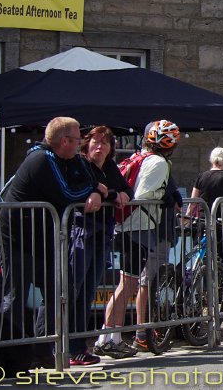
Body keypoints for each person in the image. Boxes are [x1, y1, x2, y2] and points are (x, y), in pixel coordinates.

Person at [0, 117, 103, 371]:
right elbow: (67, 193)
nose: (81, 145)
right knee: (15, 296)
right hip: (20, 237)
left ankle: (41, 351)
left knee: (56, 292)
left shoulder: (69, 159)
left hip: (44, 236)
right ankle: (4, 358)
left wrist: (97, 189)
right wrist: (94, 189)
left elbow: (89, 178)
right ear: (64, 141)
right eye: (78, 140)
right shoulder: (42, 159)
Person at [95, 119, 181, 357]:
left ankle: (110, 336)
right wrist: (161, 196)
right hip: (138, 227)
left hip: (126, 226)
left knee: (126, 284)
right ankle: (108, 337)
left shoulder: (139, 157)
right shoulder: (160, 163)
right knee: (127, 285)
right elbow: (141, 195)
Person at [67, 127, 133, 366]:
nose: (100, 147)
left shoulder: (111, 167)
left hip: (101, 234)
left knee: (87, 292)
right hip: (81, 233)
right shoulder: (81, 164)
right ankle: (61, 347)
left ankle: (78, 348)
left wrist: (118, 194)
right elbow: (88, 189)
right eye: (96, 142)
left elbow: (125, 189)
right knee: (72, 290)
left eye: (105, 144)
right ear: (86, 144)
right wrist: (110, 194)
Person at [190, 146, 223, 266]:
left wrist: (186, 217)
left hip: (203, 219)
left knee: (202, 254)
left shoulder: (201, 176)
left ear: (211, 160)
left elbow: (193, 201)